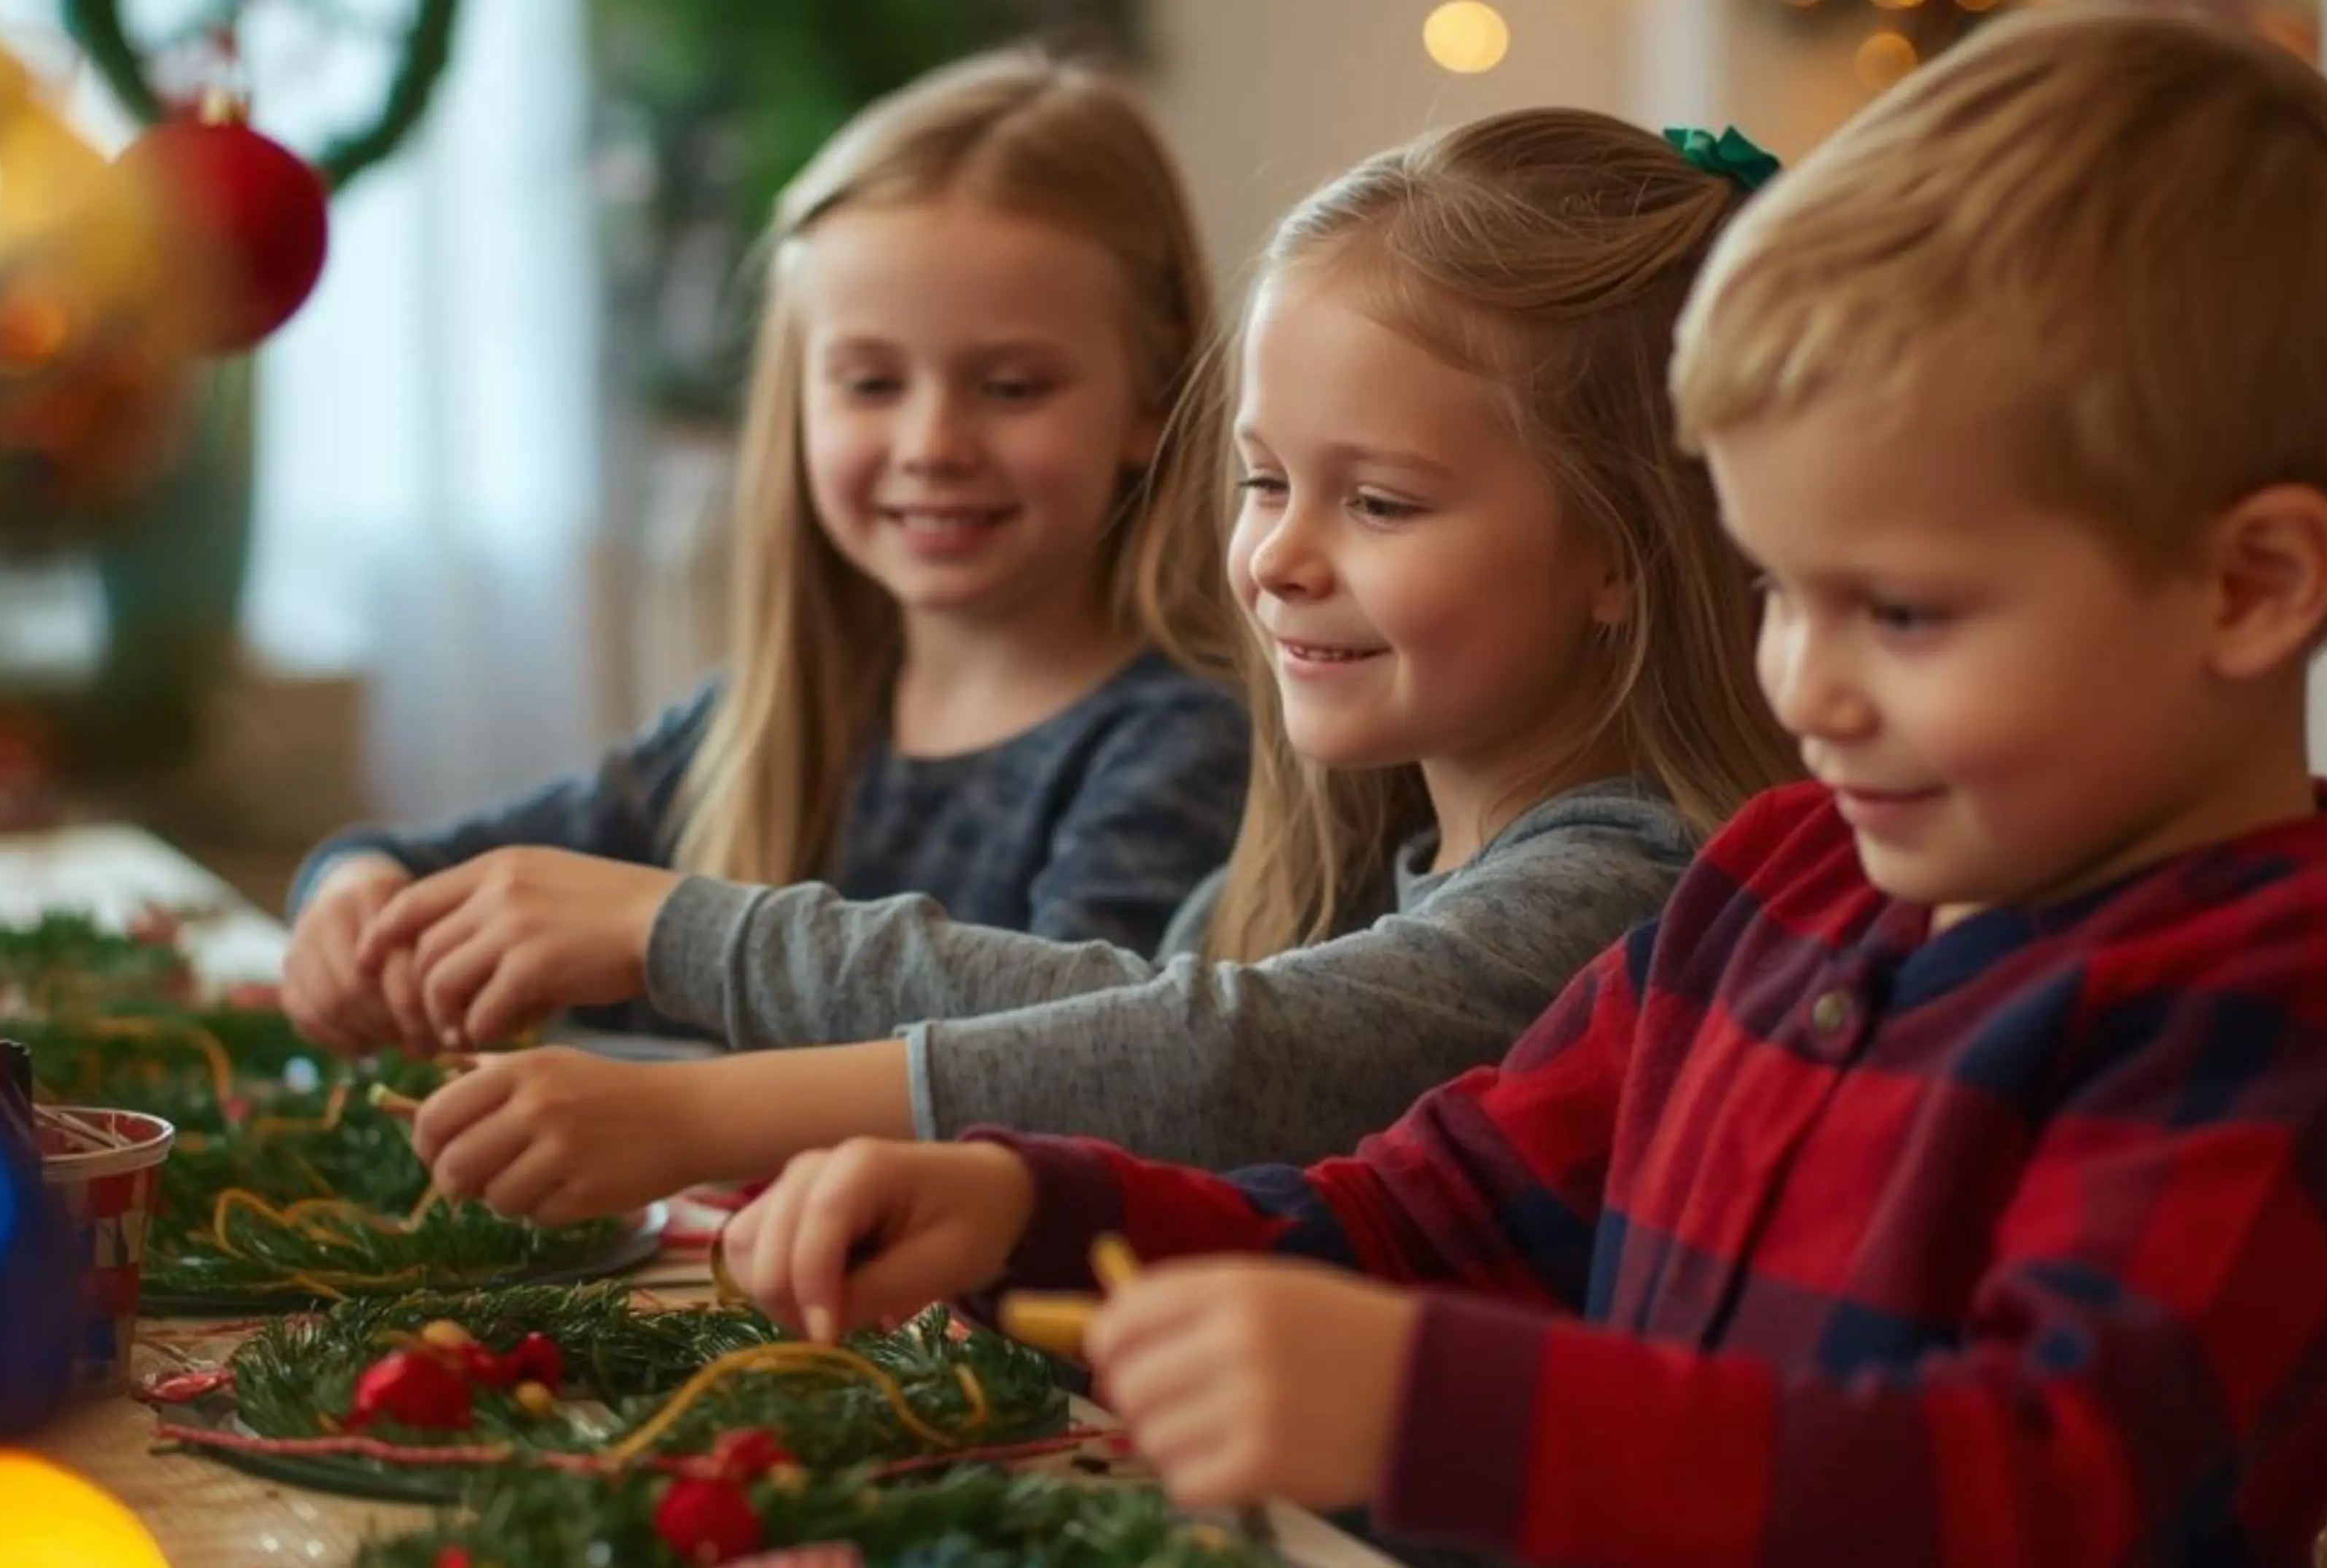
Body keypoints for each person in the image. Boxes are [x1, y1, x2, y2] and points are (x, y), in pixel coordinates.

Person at [719, 10, 2327, 1564]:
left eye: (1902, 612)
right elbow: (1425, 1214)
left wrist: (1427, 1408)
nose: (1804, 684)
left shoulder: (2282, 1000)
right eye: (1778, 590)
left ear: (2250, 587)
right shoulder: (1783, 881)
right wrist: (1038, 1207)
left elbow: (2029, 1494)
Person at [376, 109, 1801, 1216]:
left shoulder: (1645, 886)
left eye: (1378, 502)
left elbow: (1218, 1060)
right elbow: (1101, 1031)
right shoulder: (1357, 862)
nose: (1281, 560)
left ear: (1624, 545)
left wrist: (691, 979)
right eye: (1262, 483)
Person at [279, 49, 1251, 1053]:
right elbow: (423, 862)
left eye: (1011, 388)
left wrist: (665, 965)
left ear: (1155, 396)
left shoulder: (1183, 743)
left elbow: (1079, 1058)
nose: (932, 447)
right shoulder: (765, 719)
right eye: (872, 385)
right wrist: (352, 892)